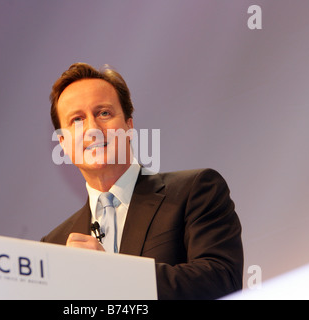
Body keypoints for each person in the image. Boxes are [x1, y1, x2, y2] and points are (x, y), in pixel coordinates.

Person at [41, 62, 243, 300]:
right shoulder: (53, 246)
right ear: (63, 143)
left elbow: (221, 280)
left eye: (103, 113)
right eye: (77, 120)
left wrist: (112, 272)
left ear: (129, 126)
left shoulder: (195, 191)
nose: (92, 129)